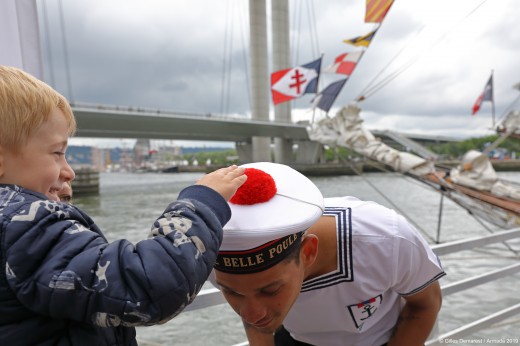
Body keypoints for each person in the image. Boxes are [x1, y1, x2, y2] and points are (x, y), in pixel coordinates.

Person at [0, 65, 247, 345]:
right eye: (57, 153)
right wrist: (204, 202)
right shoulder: (25, 225)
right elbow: (150, 285)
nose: (70, 172)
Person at [211, 162, 445, 346]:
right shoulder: (211, 255)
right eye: (231, 292)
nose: (251, 314)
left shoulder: (387, 240)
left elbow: (425, 304)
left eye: (270, 289)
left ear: (308, 252)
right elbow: (256, 321)